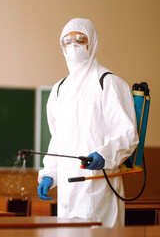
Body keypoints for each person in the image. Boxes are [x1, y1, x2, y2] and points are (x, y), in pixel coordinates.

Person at [37, 18, 139, 227]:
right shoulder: (59, 90)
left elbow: (128, 135)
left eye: (80, 40)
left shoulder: (107, 82)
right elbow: (58, 139)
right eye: (68, 41)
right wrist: (49, 173)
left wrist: (105, 153)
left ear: (91, 42)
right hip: (68, 192)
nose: (73, 46)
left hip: (100, 187)